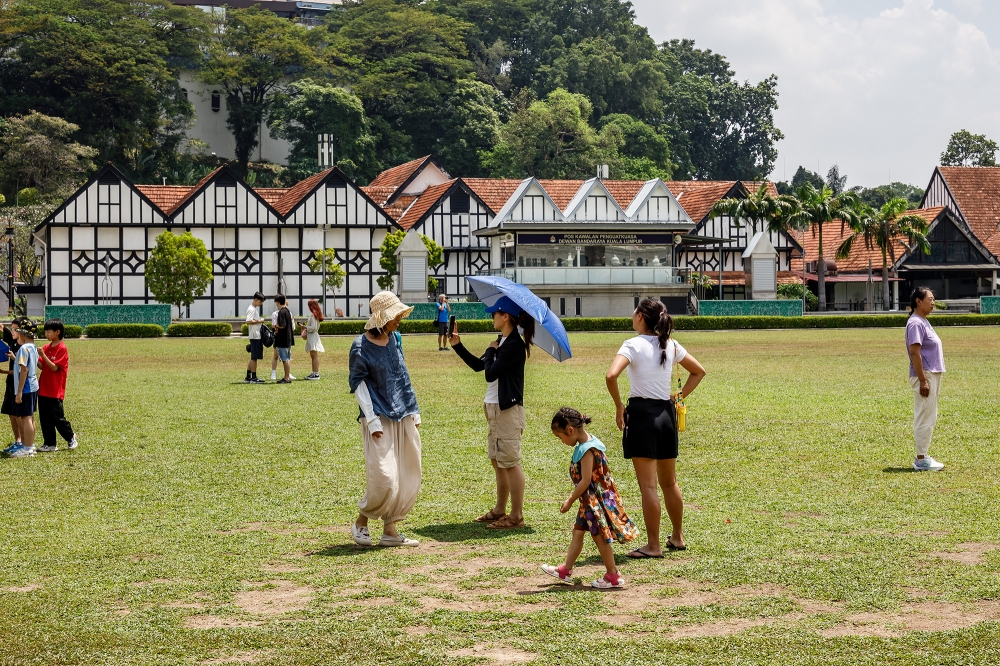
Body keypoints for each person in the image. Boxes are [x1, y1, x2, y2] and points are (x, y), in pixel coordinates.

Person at [606, 299, 706, 558]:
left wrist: (619, 406)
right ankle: (677, 536)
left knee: (649, 487)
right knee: (669, 482)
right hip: (666, 416)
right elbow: (699, 371)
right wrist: (679, 395)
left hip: (642, 416)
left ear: (640, 316)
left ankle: (653, 545)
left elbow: (611, 375)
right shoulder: (670, 343)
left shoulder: (632, 344)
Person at [450, 296, 535, 530]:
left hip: (507, 409)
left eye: (494, 314)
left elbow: (490, 374)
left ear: (505, 316)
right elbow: (480, 365)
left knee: (510, 462)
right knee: (498, 460)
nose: (492, 317)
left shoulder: (514, 345)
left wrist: (490, 349)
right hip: (494, 407)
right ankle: (500, 509)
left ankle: (516, 516)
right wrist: (458, 345)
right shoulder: (503, 341)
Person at [349, 291, 422, 547]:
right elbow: (359, 386)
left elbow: (402, 375)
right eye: (395, 316)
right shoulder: (360, 346)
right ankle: (361, 521)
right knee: (384, 476)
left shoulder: (396, 339)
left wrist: (414, 410)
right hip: (378, 416)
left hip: (403, 413)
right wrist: (372, 421)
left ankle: (390, 530)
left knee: (406, 473)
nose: (399, 319)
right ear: (382, 317)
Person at [542, 407, 638, 589]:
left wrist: (570, 500)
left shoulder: (587, 450)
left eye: (560, 437)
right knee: (577, 533)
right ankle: (565, 570)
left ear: (570, 430)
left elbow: (585, 481)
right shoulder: (589, 441)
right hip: (588, 502)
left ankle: (613, 575)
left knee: (600, 538)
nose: (561, 441)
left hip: (593, 503)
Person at [907, 287, 946, 471]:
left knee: (929, 415)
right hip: (925, 374)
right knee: (925, 416)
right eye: (930, 299)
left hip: (931, 373)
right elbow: (915, 353)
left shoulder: (923, 322)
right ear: (918, 301)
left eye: (933, 299)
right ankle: (921, 459)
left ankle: (923, 455)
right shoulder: (915, 323)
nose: (933, 302)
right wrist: (923, 379)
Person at [35, 319, 78, 453]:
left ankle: (71, 437)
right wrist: (35, 357)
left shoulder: (62, 348)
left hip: (54, 390)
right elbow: (42, 366)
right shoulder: (47, 347)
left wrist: (43, 355)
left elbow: (54, 368)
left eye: (49, 331)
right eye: (45, 331)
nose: (46, 334)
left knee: (57, 417)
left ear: (57, 332)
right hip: (43, 388)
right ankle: (50, 443)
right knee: (45, 418)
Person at [4, 320, 40, 458]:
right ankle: (30, 446)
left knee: (25, 418)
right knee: (30, 417)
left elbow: (23, 370)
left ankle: (27, 447)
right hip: (33, 385)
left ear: (22, 333)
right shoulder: (33, 347)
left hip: (25, 387)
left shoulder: (23, 349)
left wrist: (19, 392)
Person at [0, 318, 24, 455]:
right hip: (10, 383)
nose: (12, 331)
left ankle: (25, 444)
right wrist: (2, 328)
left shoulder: (23, 347)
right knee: (11, 413)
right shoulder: (13, 342)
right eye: (12, 329)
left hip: (18, 384)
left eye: (16, 329)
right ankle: (18, 441)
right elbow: (5, 330)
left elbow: (21, 370)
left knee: (19, 415)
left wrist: (3, 372)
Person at [270, 302, 295, 381]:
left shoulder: (282, 312)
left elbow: (282, 325)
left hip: (282, 339)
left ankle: (286, 377)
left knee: (285, 358)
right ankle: (286, 375)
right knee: (285, 358)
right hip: (288, 339)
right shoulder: (287, 312)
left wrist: (275, 326)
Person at [245, 292, 266, 384]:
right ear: (255, 300)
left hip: (254, 335)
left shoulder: (253, 309)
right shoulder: (251, 309)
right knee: (254, 357)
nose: (261, 304)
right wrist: (259, 321)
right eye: (260, 302)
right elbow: (248, 321)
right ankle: (254, 377)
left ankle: (248, 376)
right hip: (255, 335)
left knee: (253, 356)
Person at [303, 299, 325, 380]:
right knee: (313, 355)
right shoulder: (315, 315)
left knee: (314, 355)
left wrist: (305, 327)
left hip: (312, 335)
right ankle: (314, 372)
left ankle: (316, 373)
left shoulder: (313, 315)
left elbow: (313, 327)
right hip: (312, 335)